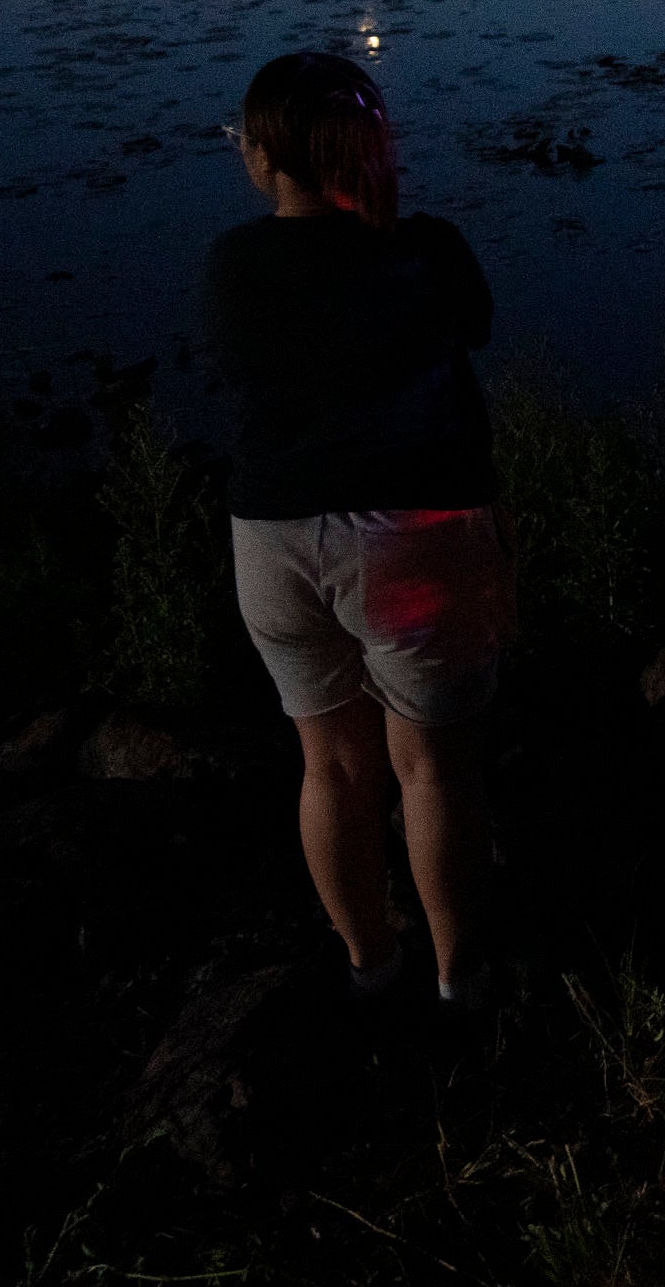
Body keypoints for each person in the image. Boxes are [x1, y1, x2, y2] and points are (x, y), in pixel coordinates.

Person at [206, 51, 512, 1011]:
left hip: (272, 541)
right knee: (431, 762)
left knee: (330, 765)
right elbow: (475, 326)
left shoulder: (232, 264)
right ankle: (462, 977)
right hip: (409, 531)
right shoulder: (424, 249)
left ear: (264, 160)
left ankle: (368, 964)